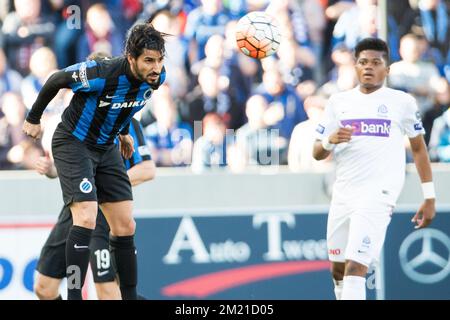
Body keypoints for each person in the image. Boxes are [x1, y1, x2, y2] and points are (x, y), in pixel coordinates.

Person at [22, 23, 166, 300]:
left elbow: (128, 103)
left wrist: (123, 132)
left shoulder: (155, 79)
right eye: (149, 60)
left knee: (125, 225)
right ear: (130, 58)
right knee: (86, 216)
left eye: (159, 61)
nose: (156, 68)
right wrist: (33, 118)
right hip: (73, 142)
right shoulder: (100, 73)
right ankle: (75, 296)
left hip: (106, 147)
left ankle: (131, 296)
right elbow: (55, 79)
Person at [313, 38, 436, 300]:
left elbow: (418, 149)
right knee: (338, 269)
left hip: (379, 194)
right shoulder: (338, 102)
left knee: (356, 266)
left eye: (376, 63)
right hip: (344, 193)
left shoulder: (401, 102)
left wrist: (429, 196)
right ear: (355, 66)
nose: (369, 67)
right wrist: (329, 140)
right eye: (363, 62)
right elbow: (316, 152)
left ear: (387, 69)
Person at [35, 118, 155, 300]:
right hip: (75, 209)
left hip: (104, 212)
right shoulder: (79, 118)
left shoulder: (127, 121)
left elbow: (147, 169)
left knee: (107, 292)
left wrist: (105, 183)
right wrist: (52, 170)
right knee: (44, 288)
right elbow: (77, 168)